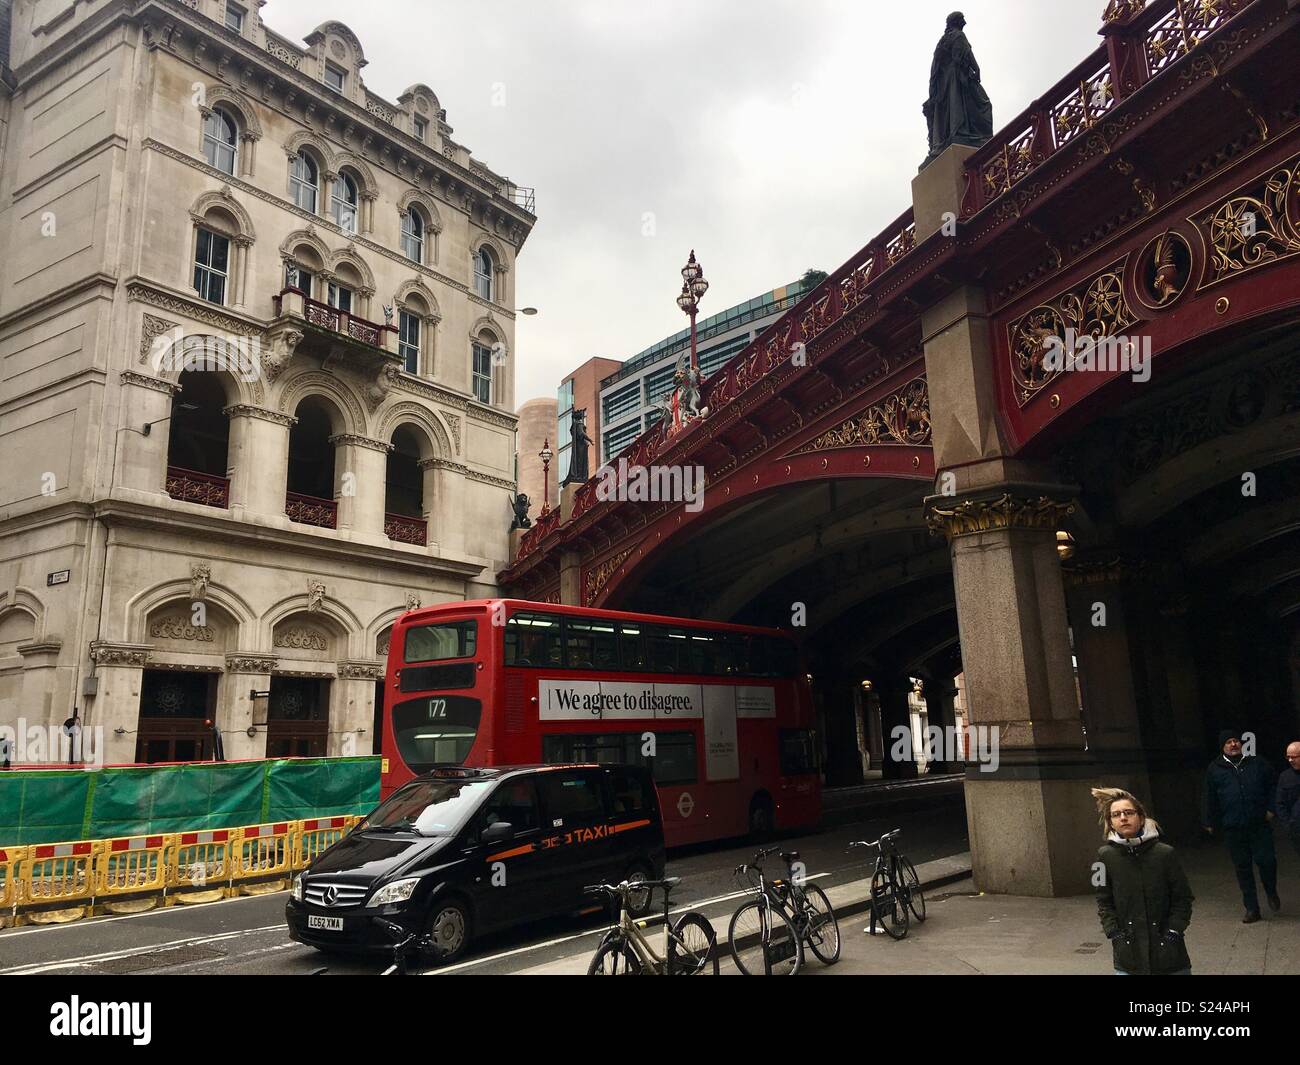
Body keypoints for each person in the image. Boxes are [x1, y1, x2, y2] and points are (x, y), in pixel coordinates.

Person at [1093, 787, 1193, 975]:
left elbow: (1183, 897)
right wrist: (1114, 933)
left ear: (1140, 817)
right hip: (1128, 955)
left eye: (1128, 812)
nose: (1123, 818)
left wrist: (1174, 931)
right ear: (1111, 823)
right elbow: (1102, 900)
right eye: (1116, 815)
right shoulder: (1103, 856)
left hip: (1170, 954)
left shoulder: (1165, 853)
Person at [1202, 728, 1279, 922]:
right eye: (1228, 742)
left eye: (1236, 740)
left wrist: (1271, 809)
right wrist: (1209, 820)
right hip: (1233, 827)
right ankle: (1252, 908)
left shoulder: (1257, 763)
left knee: (1267, 861)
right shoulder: (1215, 768)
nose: (1233, 744)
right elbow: (1209, 796)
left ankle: (1271, 890)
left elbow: (1273, 785)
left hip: (1259, 823)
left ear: (1242, 744)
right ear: (1223, 747)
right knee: (1243, 868)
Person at [1275, 741, 1300, 858]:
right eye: (1288, 757)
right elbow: (1280, 804)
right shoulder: (1285, 777)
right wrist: (1289, 825)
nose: (1290, 760)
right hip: (1297, 831)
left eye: (1294, 757)